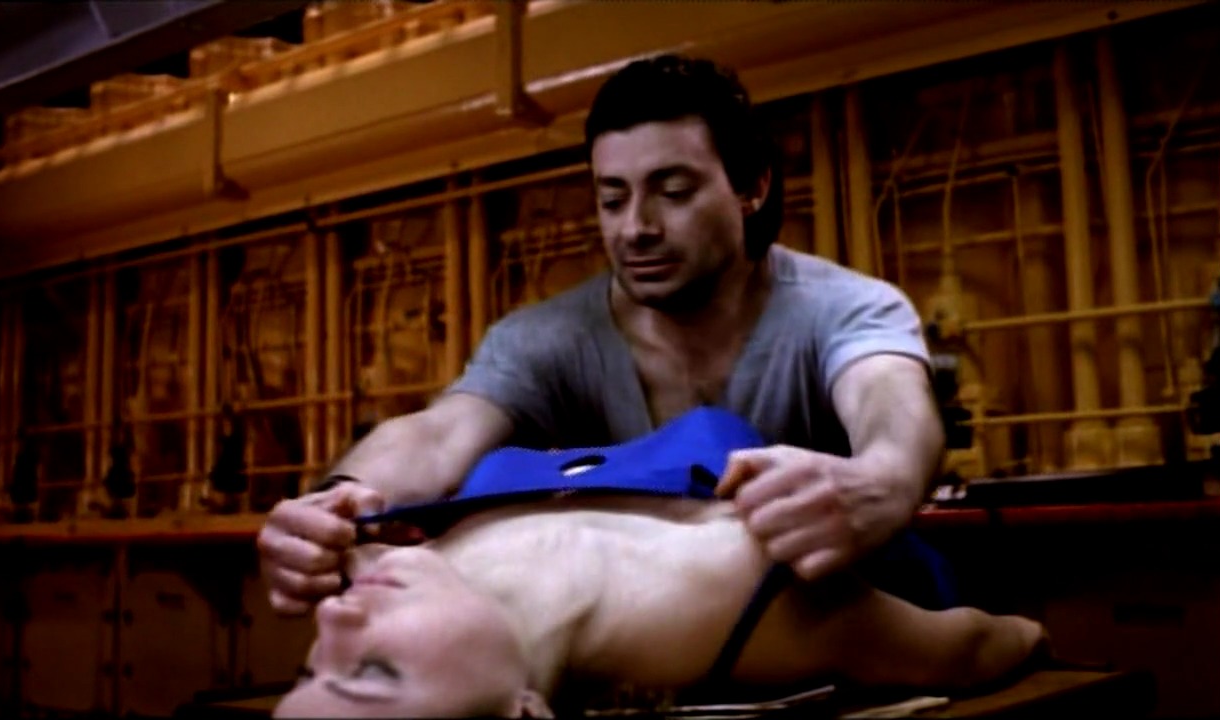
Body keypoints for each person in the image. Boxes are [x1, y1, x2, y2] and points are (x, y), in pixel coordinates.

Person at [258, 54, 945, 625]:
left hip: (830, 639)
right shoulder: (545, 339)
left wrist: (882, 479)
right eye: (613, 199)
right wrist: (341, 498)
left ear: (753, 186)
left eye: (672, 191)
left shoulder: (842, 307)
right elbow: (440, 434)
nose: (636, 228)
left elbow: (889, 400)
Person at [271, 456, 1047, 719]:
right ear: (524, 713)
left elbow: (434, 429)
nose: (333, 619)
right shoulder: (741, 603)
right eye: (373, 672)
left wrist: (339, 490)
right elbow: (963, 650)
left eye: (309, 669)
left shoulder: (379, 570)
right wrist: (1039, 637)